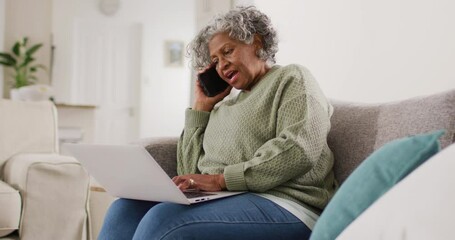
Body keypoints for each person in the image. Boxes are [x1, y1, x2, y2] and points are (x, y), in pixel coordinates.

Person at [98, 6, 337, 240]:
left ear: (256, 42)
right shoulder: (223, 106)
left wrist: (220, 180)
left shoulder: (292, 78)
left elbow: (300, 149)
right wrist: (201, 107)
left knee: (164, 219)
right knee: (125, 209)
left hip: (287, 203)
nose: (221, 65)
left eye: (228, 51)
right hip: (227, 199)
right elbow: (188, 170)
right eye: (215, 59)